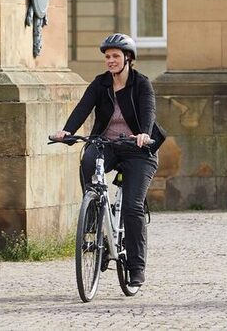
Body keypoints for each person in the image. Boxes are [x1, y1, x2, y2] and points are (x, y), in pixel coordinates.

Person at [51, 33, 166, 287]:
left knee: (131, 207)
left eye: (115, 56)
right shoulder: (100, 84)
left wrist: (144, 133)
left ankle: (136, 267)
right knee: (88, 159)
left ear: (128, 59)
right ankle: (96, 226)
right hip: (109, 145)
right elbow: (83, 108)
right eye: (107, 57)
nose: (110, 61)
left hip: (139, 150)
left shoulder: (141, 83)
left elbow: (148, 110)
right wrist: (67, 130)